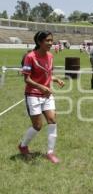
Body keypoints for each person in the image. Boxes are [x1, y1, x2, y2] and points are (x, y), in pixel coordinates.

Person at [18, 30, 64, 164]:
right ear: (39, 42)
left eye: (51, 40)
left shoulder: (50, 56)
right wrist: (41, 87)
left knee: (52, 121)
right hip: (33, 95)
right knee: (37, 126)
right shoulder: (30, 56)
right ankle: (23, 146)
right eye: (47, 41)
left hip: (47, 95)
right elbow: (27, 79)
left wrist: (55, 79)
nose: (50, 43)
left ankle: (50, 152)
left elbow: (47, 75)